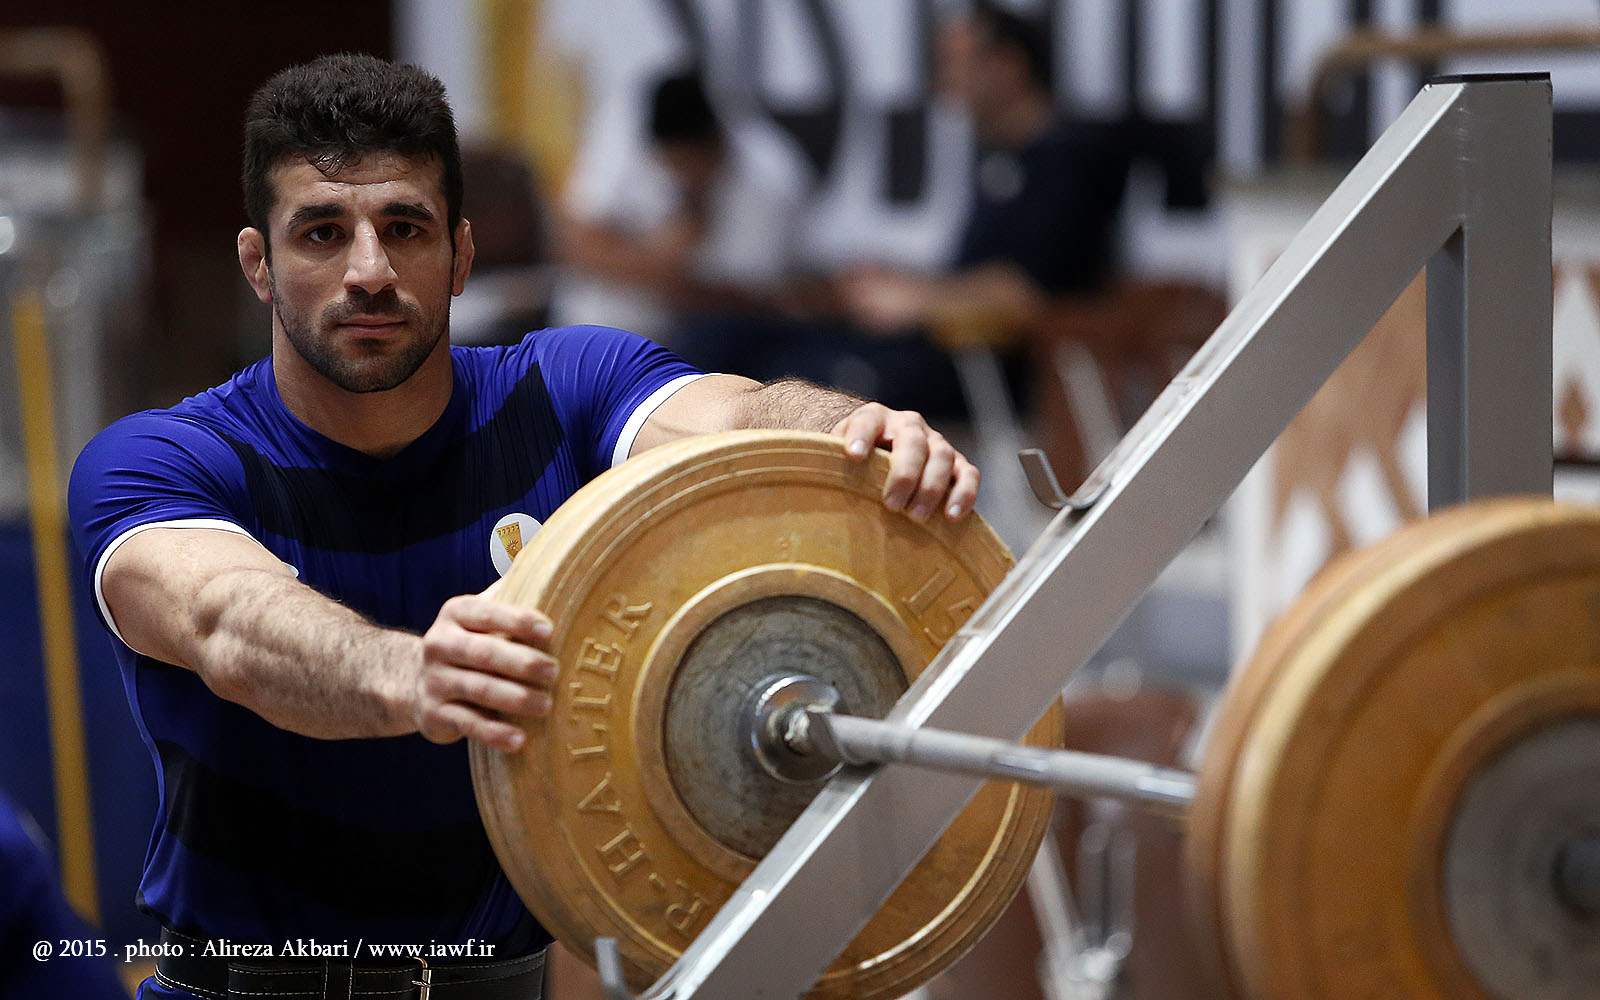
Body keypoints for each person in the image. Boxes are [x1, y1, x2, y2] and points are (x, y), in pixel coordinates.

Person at [67, 53, 978, 1000]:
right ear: (259, 263)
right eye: (323, 233)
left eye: (405, 228)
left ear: (460, 254)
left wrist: (848, 430)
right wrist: (410, 675)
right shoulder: (158, 461)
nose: (369, 272)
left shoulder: (563, 390)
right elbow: (226, 621)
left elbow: (737, 416)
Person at [839, 1, 1131, 348]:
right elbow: (979, 271)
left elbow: (1027, 293)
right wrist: (903, 281)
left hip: (998, 361)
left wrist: (917, 299)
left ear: (1007, 66)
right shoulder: (996, 158)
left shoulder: (1068, 163)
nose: (945, 84)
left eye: (956, 66)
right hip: (958, 345)